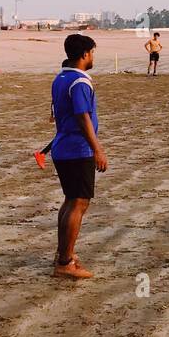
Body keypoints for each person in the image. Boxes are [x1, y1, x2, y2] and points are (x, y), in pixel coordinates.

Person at [49, 34, 106, 280]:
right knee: (79, 202)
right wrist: (97, 149)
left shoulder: (61, 77)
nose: (93, 57)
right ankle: (65, 262)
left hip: (63, 147)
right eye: (92, 53)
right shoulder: (80, 82)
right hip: (76, 149)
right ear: (84, 54)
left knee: (71, 200)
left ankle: (63, 253)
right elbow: (83, 118)